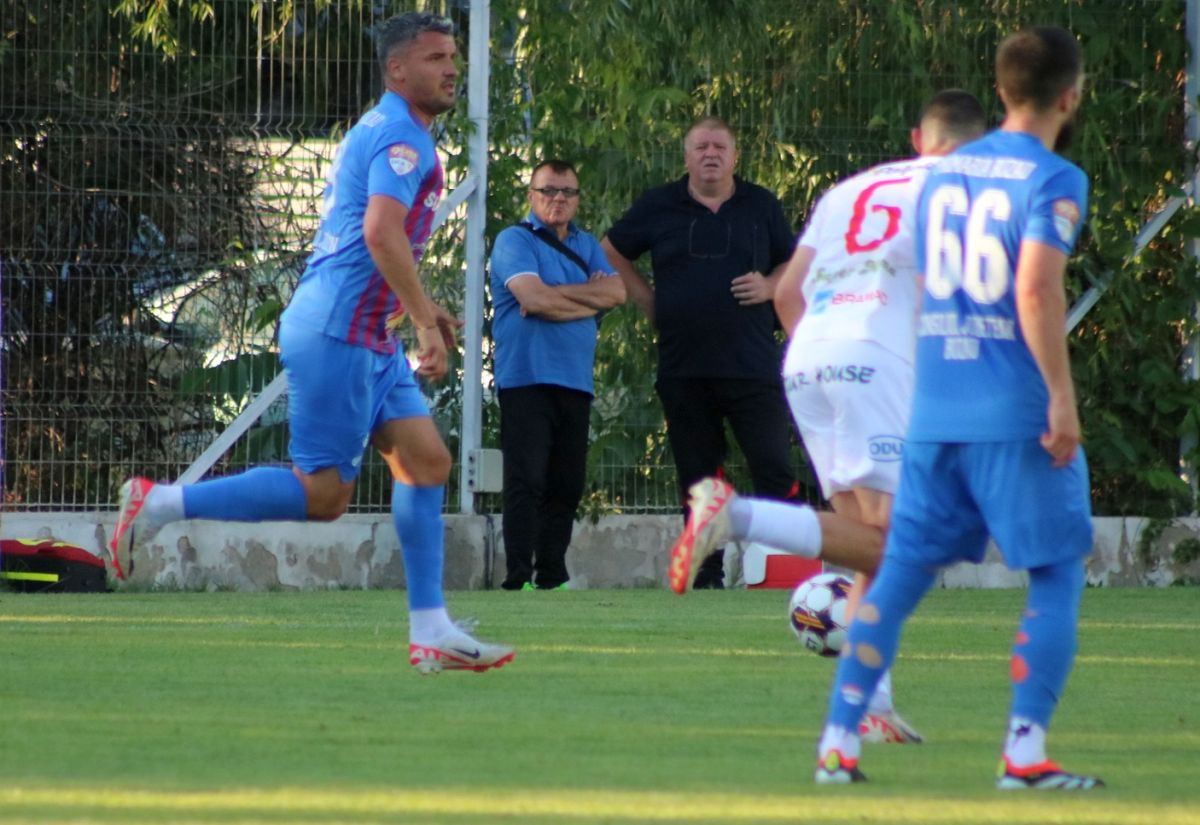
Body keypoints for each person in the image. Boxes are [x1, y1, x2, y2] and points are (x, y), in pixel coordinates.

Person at [108, 12, 514, 675]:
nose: (450, 69)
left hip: (361, 330)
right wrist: (418, 317)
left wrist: (421, 306)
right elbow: (383, 233)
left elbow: (369, 239)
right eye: (437, 57)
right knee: (323, 495)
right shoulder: (401, 142)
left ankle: (431, 628)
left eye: (454, 58)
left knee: (428, 459)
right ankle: (157, 504)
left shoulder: (389, 128)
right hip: (339, 332)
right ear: (398, 70)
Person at [813, 26, 1103, 789]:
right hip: (1012, 412)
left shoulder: (942, 177)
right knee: (1055, 571)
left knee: (901, 572)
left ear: (1002, 91)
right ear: (1070, 96)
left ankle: (838, 742)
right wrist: (1062, 399)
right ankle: (1025, 751)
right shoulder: (1055, 179)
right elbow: (1036, 288)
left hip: (933, 410)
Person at [672, 90, 988, 745]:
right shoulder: (962, 191)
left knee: (865, 541)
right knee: (899, 545)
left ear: (917, 136)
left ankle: (873, 706)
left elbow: (787, 291)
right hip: (876, 360)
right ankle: (736, 515)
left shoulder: (851, 189)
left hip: (808, 354)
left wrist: (823, 358)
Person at [601, 116, 802, 589]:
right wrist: (650, 300)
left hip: (751, 365)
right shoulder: (659, 204)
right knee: (699, 478)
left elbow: (797, 259)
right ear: (687, 156)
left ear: (734, 157)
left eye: (719, 147)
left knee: (773, 466)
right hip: (684, 366)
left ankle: (780, 568)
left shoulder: (761, 205)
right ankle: (708, 574)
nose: (710, 154)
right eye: (700, 147)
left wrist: (772, 284)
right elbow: (611, 250)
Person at [489, 160, 625, 591]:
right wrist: (588, 300)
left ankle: (552, 575)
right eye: (548, 191)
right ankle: (518, 576)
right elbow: (531, 299)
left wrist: (552, 296)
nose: (558, 199)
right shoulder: (515, 240)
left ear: (577, 199)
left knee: (567, 483)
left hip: (575, 380)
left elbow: (617, 293)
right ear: (531, 195)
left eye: (567, 192)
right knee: (526, 479)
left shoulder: (586, 245)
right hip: (526, 377)